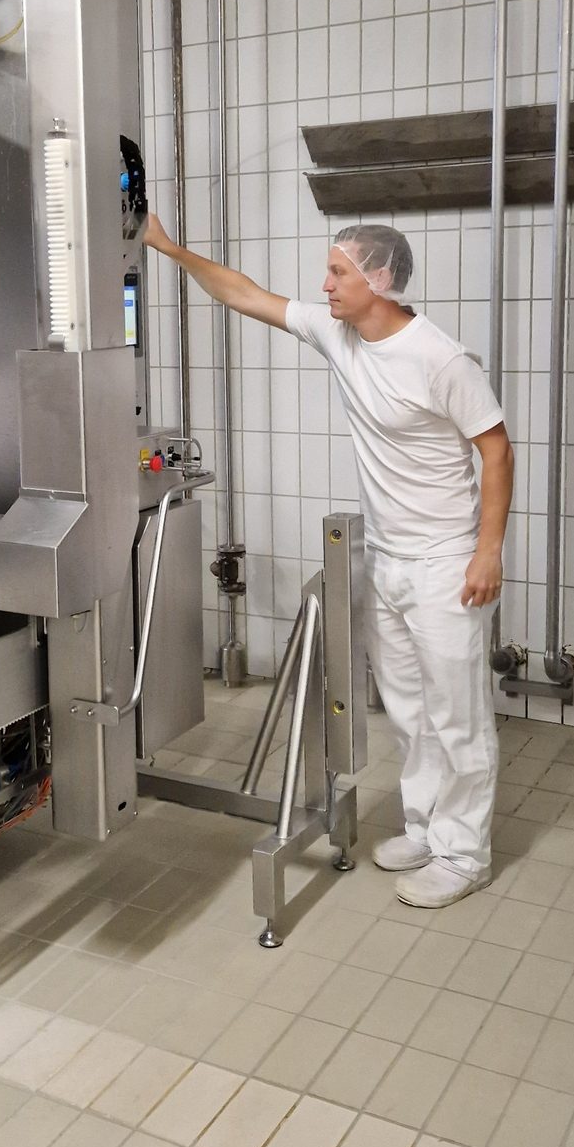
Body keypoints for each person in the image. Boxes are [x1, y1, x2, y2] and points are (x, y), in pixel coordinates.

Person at [145, 215, 514, 909]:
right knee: (409, 709)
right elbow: (244, 294)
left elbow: (495, 450)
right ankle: (425, 828)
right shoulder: (339, 334)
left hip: (446, 562)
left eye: (338, 272)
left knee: (457, 715)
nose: (325, 286)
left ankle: (466, 855)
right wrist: (166, 247)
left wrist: (486, 551)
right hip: (388, 556)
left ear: (380, 278)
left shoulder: (440, 359)